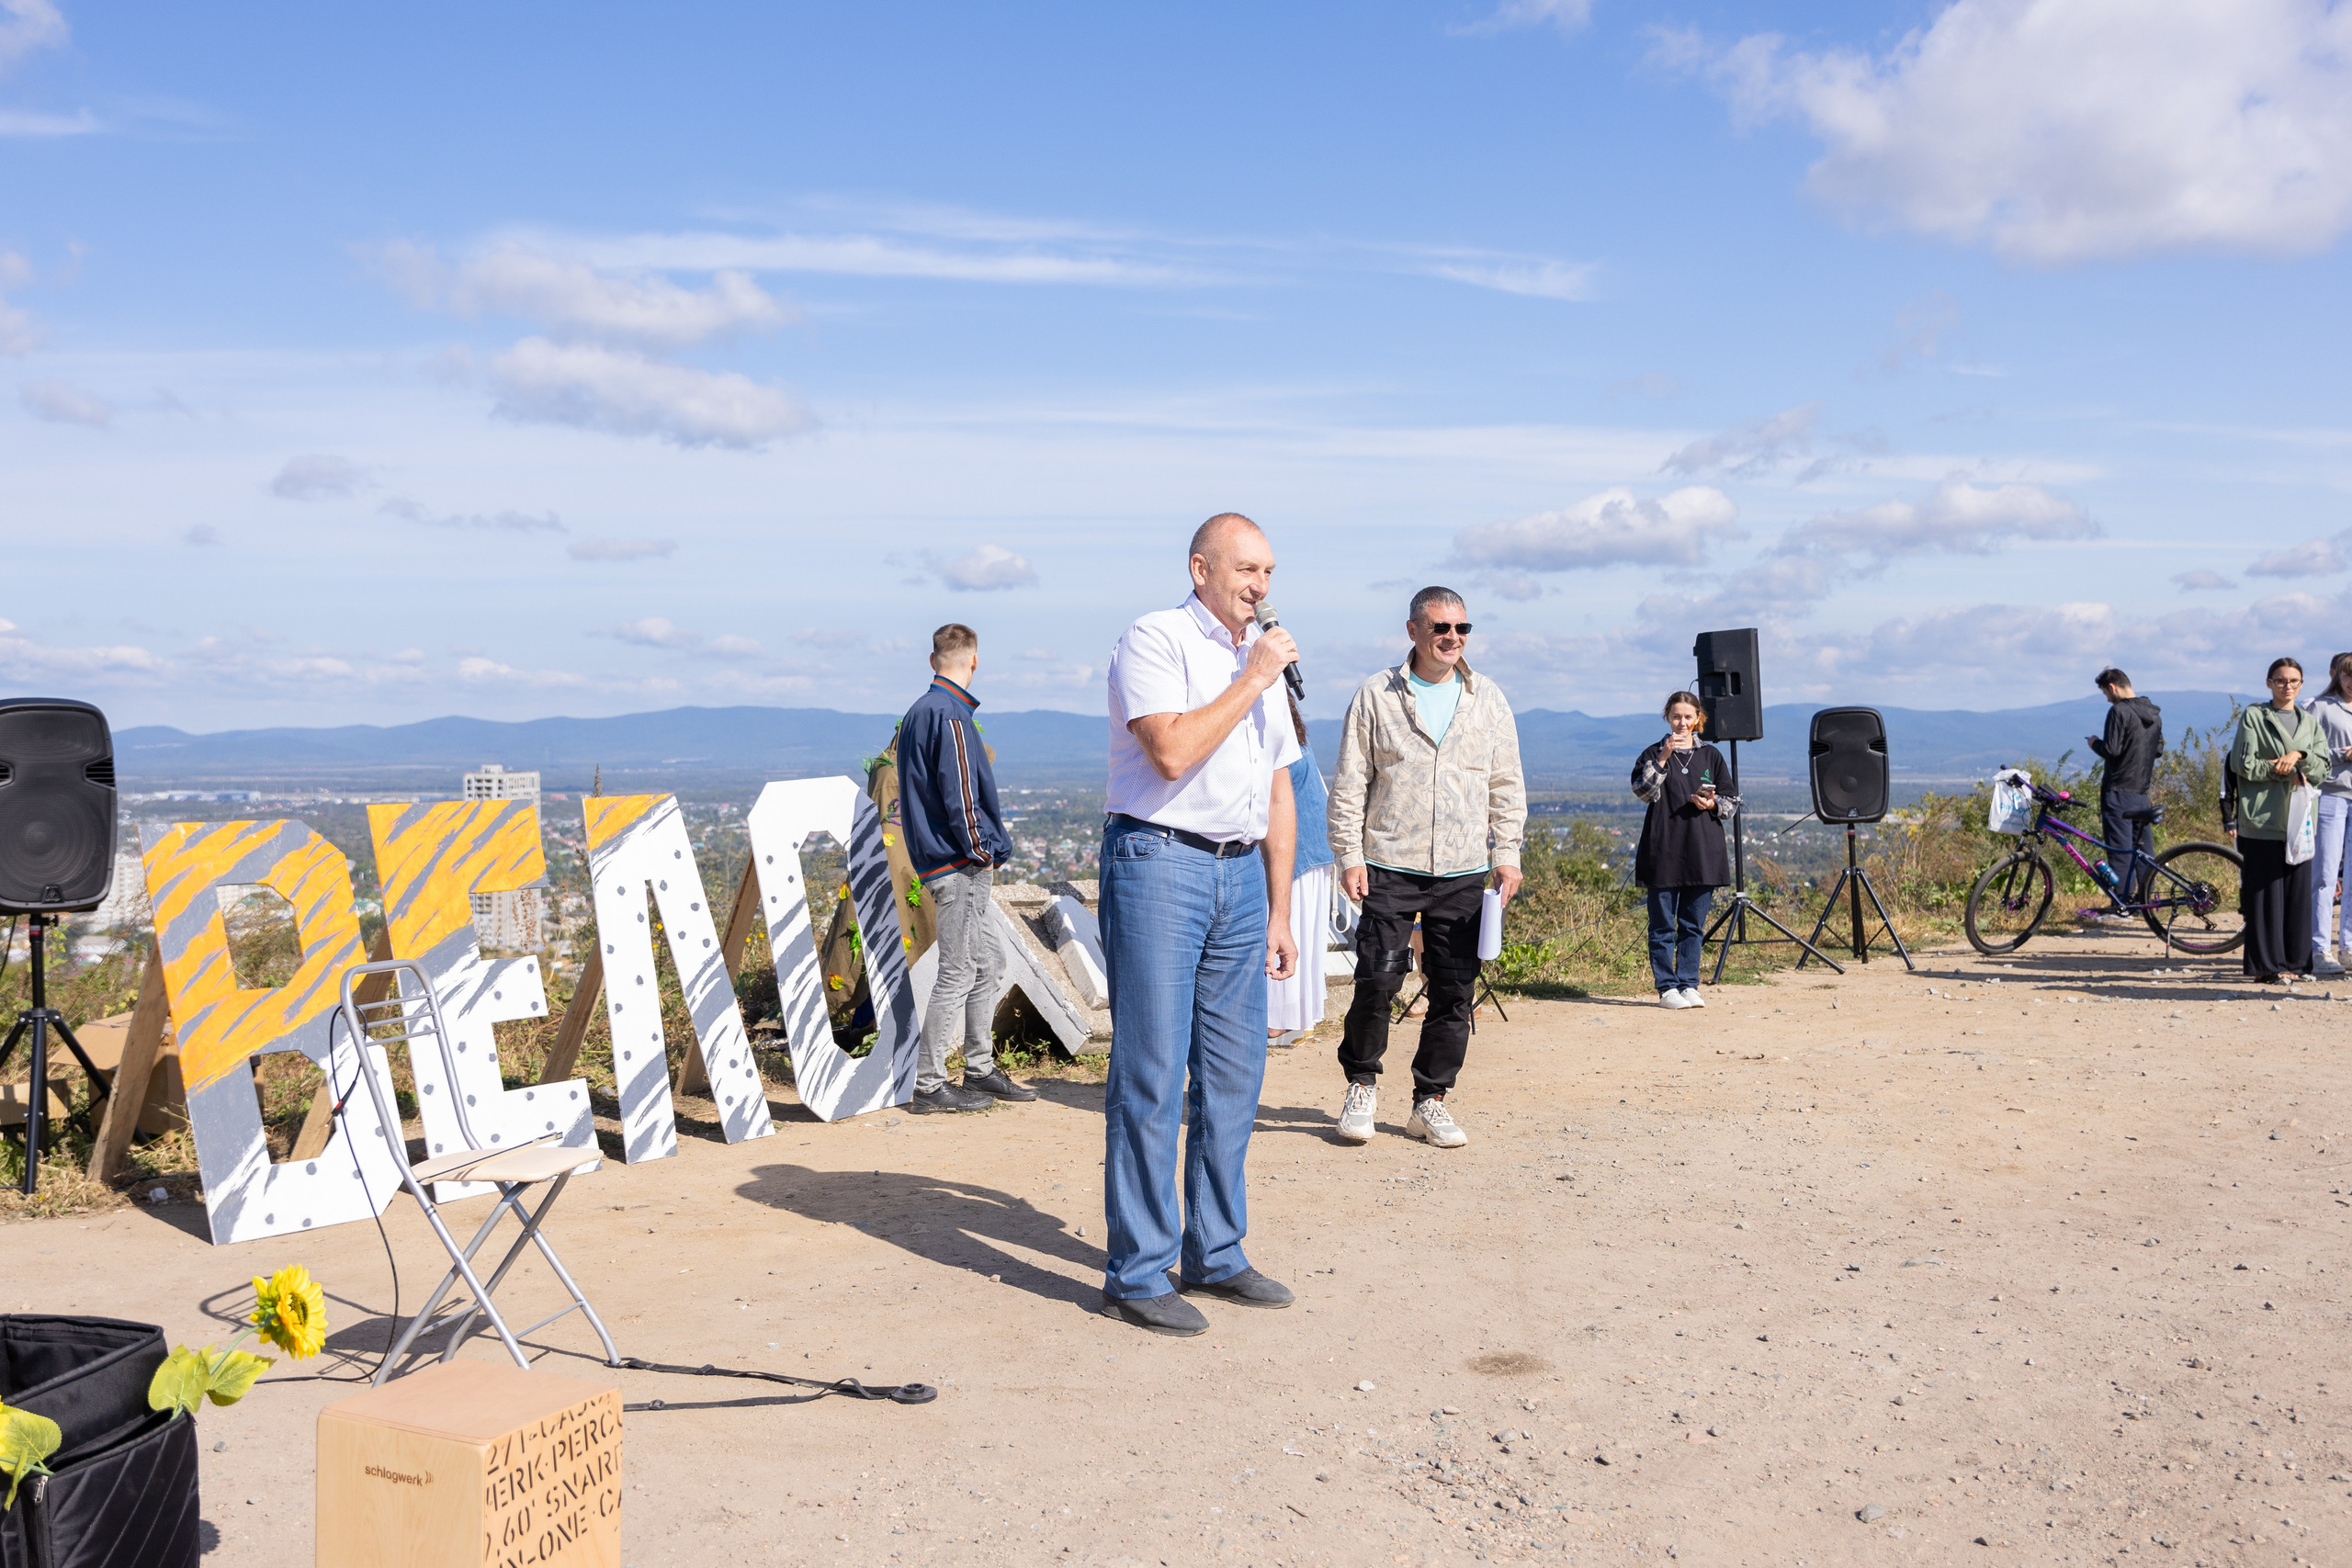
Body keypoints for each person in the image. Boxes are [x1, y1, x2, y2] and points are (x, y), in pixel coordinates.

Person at [1098, 513, 1301, 1337]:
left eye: (1268, 572)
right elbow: (1172, 753)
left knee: (1233, 1073)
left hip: (1238, 876)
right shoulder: (1155, 640)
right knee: (1151, 1071)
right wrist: (1252, 678)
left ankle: (1215, 1250)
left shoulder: (1258, 660)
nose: (1260, 586)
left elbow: (1279, 786)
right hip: (1160, 863)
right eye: (1247, 569)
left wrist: (1281, 906)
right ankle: (1138, 1270)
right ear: (1200, 568)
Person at [1326, 587, 1526, 1149]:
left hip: (1463, 870)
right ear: (1413, 630)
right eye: (1441, 627)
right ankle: (1361, 1084)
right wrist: (1348, 854)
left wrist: (1507, 855)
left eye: (1462, 628)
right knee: (1377, 980)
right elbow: (1349, 782)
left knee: (1455, 990)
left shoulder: (1487, 698)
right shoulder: (1376, 694)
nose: (1452, 638)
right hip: (1388, 862)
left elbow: (1506, 784)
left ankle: (1430, 1100)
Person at [895, 624, 1036, 1113]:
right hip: (957, 865)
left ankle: (979, 1069)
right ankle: (930, 1085)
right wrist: (982, 848)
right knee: (958, 970)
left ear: (933, 659)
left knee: (987, 963)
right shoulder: (950, 715)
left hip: (944, 860)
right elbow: (960, 796)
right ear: (973, 662)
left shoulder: (918, 713)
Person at [2229, 657, 2331, 984]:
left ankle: (2296, 963)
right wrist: (2280, 769)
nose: (2288, 686)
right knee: (2265, 894)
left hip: (2300, 821)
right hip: (2263, 818)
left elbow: (2323, 767)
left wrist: (2298, 756)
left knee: (2297, 894)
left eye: (2294, 681)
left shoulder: (2310, 722)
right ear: (2269, 682)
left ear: (2301, 685)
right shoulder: (2255, 716)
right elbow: (2243, 765)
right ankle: (2266, 967)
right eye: (2281, 680)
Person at [1631, 691, 1734, 1007]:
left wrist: (1712, 802)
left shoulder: (1712, 756)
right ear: (1667, 717)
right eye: (1677, 716)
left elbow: (1731, 804)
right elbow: (1643, 791)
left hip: (1703, 851)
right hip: (1663, 850)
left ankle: (1689, 984)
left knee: (1692, 924)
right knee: (1662, 925)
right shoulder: (1652, 753)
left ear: (1698, 718)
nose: (1682, 723)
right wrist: (1662, 758)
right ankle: (1667, 988)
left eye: (1688, 717)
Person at [1267, 690, 1335, 1046]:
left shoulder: (1275, 738)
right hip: (1313, 845)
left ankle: (1277, 1021)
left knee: (1282, 931)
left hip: (1296, 848)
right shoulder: (1296, 737)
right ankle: (1291, 1019)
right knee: (1300, 934)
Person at [2084, 668, 2164, 917]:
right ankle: (2144, 902)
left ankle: (2122, 904)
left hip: (2118, 790)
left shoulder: (2118, 711)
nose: (2107, 698)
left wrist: (2094, 743)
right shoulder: (2153, 713)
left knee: (2119, 849)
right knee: (2142, 850)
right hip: (2141, 791)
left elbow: (2113, 750)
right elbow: (2158, 749)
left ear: (2113, 687)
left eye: (2106, 693)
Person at [2302, 652, 2352, 977]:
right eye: (2349, 674)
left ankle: (2348, 946)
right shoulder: (2320, 707)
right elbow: (2305, 750)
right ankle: (2319, 947)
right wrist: (2341, 754)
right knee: (2324, 876)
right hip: (2332, 796)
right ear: (2339, 676)